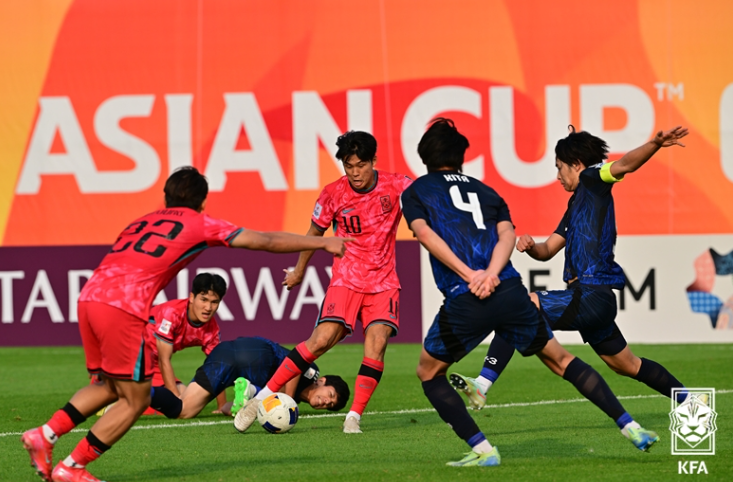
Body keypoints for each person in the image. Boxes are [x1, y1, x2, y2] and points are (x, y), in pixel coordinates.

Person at [21, 167, 351, 482]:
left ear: (166, 197)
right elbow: (263, 240)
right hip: (123, 307)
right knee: (135, 400)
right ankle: (72, 466)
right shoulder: (197, 223)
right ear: (203, 202)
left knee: (108, 387)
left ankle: (45, 435)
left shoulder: (141, 222)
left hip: (89, 298)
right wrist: (322, 242)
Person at [401, 118, 659, 467]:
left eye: (559, 167)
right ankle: (631, 427)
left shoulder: (416, 191)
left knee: (429, 372)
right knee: (564, 360)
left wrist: (473, 276)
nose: (557, 174)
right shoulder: (486, 191)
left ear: (424, 155)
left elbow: (426, 235)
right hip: (508, 289)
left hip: (468, 295)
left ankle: (483, 449)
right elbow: (507, 235)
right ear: (461, 156)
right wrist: (492, 273)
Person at [450, 126, 693, 413]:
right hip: (589, 298)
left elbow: (625, 164)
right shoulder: (575, 204)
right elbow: (548, 250)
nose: (557, 176)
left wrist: (654, 143)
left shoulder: (592, 179)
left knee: (519, 307)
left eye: (559, 167)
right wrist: (532, 246)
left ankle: (482, 384)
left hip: (592, 295)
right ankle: (692, 402)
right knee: (627, 365)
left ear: (576, 164)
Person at [234, 130, 412, 434]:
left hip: (383, 281)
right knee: (320, 340)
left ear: (373, 161)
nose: (355, 173)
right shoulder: (333, 194)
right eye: (348, 166)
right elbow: (314, 234)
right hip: (346, 278)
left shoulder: (397, 185)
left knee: (377, 342)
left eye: (361, 165)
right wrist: (300, 269)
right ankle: (260, 399)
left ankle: (353, 417)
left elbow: (430, 197)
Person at [149, 336, 350, 420]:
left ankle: (143, 392)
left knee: (183, 410)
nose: (326, 402)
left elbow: (230, 408)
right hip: (257, 355)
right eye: (330, 395)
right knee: (274, 395)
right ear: (322, 381)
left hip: (225, 355)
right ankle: (251, 391)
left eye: (330, 405)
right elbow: (295, 365)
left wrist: (232, 408)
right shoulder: (313, 372)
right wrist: (287, 402)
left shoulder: (295, 397)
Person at [145, 272, 228, 414]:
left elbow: (217, 367)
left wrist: (222, 406)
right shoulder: (172, 313)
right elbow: (164, 359)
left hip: (154, 364)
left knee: (187, 402)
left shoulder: (212, 330)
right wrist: (174, 400)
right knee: (166, 403)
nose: (208, 308)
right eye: (204, 300)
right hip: (131, 355)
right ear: (192, 297)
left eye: (214, 302)